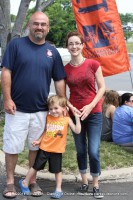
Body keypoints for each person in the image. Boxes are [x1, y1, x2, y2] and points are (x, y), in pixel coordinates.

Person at [1, 11, 66, 198]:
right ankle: (10, 182)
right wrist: (7, 99)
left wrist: (63, 106)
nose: (39, 27)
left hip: (41, 111)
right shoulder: (16, 45)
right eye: (36, 23)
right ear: (29, 25)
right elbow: (6, 72)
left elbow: (59, 80)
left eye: (43, 24)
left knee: (36, 148)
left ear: (48, 28)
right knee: (12, 147)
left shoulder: (52, 52)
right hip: (17, 110)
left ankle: (31, 180)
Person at [64, 31, 105, 199]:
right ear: (67, 47)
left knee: (93, 151)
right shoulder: (64, 69)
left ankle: (95, 184)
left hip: (94, 113)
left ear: (82, 45)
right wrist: (72, 108)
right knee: (81, 150)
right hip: (75, 114)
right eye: (70, 44)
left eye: (77, 43)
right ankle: (84, 181)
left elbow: (102, 88)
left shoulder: (93, 64)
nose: (74, 46)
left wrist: (90, 106)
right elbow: (62, 95)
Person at [19, 95, 81, 198]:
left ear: (63, 108)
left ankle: (58, 189)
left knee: (57, 170)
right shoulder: (48, 117)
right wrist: (39, 141)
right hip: (44, 148)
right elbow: (45, 131)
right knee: (35, 167)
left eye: (56, 108)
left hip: (57, 150)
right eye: (51, 109)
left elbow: (77, 130)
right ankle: (25, 182)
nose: (53, 111)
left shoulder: (67, 119)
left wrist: (77, 119)